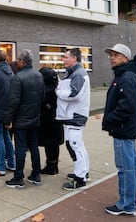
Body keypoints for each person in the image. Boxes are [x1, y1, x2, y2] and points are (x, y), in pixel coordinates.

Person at [102, 44, 136, 216]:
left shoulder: (126, 77)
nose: (112, 57)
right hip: (126, 128)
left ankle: (126, 205)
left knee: (125, 168)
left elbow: (127, 106)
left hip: (122, 129)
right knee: (132, 166)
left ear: (125, 58)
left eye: (116, 55)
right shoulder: (125, 75)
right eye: (111, 54)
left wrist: (110, 119)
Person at [3, 49, 44, 188]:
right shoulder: (39, 75)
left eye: (18, 60)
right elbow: (42, 97)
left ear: (21, 61)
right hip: (34, 117)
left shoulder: (18, 78)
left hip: (21, 119)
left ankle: (18, 177)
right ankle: (36, 174)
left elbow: (12, 102)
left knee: (20, 148)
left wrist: (7, 120)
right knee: (34, 146)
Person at [56, 48, 90, 190]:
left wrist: (58, 91)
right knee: (77, 145)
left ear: (74, 58)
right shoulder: (76, 73)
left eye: (66, 57)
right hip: (74, 115)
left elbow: (73, 94)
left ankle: (80, 178)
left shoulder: (78, 74)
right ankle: (83, 172)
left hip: (75, 116)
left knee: (74, 145)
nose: (64, 60)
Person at [38, 67, 64, 175]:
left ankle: (50, 165)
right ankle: (53, 165)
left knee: (49, 144)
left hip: (47, 121)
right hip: (57, 120)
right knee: (54, 144)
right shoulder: (57, 88)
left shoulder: (45, 90)